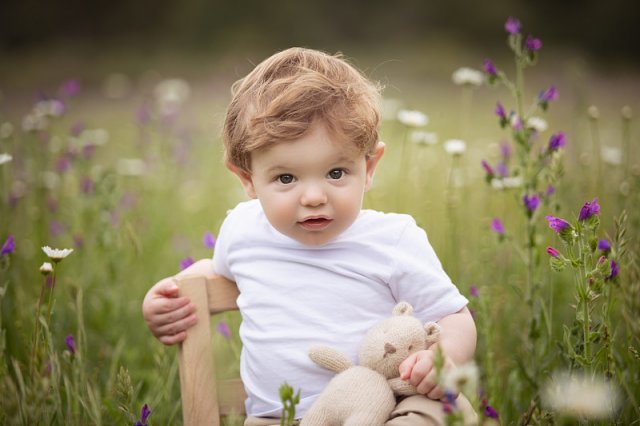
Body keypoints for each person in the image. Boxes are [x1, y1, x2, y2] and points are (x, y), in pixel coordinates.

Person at [142, 47, 477, 425]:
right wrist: (170, 294)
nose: (315, 197)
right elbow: (216, 274)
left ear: (369, 167)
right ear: (248, 180)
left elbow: (454, 316)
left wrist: (443, 357)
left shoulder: (392, 239)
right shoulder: (243, 232)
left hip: (392, 404)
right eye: (286, 178)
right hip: (280, 418)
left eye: (336, 173)